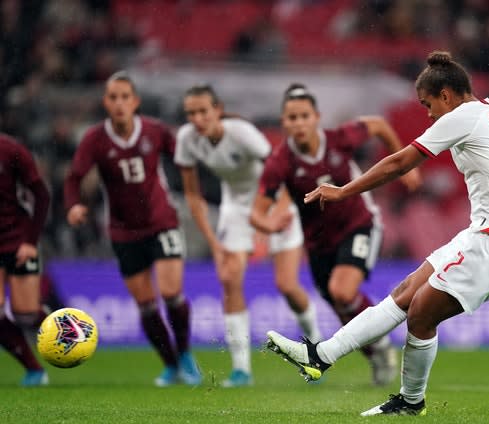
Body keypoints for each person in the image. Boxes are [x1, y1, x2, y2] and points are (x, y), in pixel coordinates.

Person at [265, 51, 489, 415]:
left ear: (446, 95)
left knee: (421, 315)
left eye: (428, 104)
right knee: (407, 291)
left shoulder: (463, 116)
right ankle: (320, 356)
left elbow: (399, 162)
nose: (428, 114)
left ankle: (411, 402)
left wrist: (343, 190)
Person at [252, 83, 422, 386]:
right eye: (292, 118)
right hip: (318, 244)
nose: (299, 123)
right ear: (284, 123)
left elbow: (380, 125)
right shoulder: (280, 163)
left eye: (304, 115)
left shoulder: (339, 138)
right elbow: (256, 212)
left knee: (343, 291)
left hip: (359, 223)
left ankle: (381, 347)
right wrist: (269, 225)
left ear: (316, 117)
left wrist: (405, 165)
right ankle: (378, 354)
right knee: (341, 305)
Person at [174, 84, 322, 388]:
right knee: (229, 278)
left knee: (287, 285)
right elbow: (193, 196)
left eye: (203, 111)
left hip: (276, 199)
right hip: (237, 207)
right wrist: (214, 244)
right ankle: (241, 369)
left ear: (218, 109)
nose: (197, 119)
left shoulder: (241, 133)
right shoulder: (186, 140)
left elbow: (283, 169)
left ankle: (317, 350)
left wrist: (278, 212)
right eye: (191, 113)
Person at [64, 71, 201, 387]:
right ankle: (169, 365)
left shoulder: (154, 131)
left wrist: (196, 187)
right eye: (113, 98)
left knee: (170, 293)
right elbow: (73, 177)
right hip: (123, 231)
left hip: (161, 221)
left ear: (135, 101)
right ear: (106, 103)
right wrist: (74, 205)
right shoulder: (95, 139)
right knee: (146, 305)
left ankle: (184, 355)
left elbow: (185, 157)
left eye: (125, 96)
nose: (119, 103)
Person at [0, 133, 51, 386]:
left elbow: (42, 195)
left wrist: (30, 242)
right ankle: (34, 370)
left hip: (18, 236)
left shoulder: (11, 149)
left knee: (27, 314)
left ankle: (69, 330)